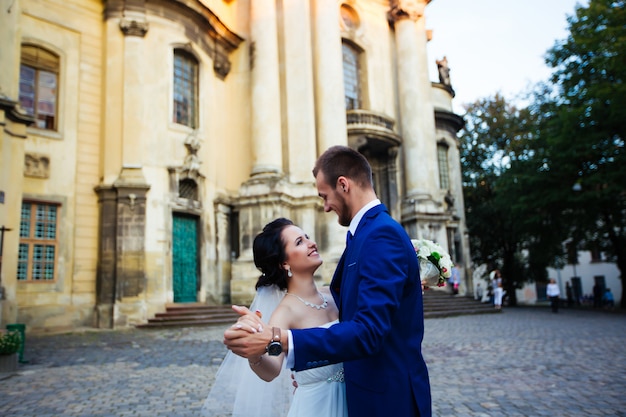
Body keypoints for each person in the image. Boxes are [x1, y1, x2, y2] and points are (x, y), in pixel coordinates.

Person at [224, 145, 432, 416]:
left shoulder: (379, 235)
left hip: (387, 399)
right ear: (284, 263)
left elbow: (369, 330)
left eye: (324, 196)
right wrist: (256, 348)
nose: (324, 207)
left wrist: (281, 338)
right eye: (299, 241)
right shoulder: (364, 234)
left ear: (343, 185)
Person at [202, 218, 346, 417]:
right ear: (284, 263)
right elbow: (272, 370)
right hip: (316, 407)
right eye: (299, 242)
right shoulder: (285, 312)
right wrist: (254, 354)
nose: (311, 243)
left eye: (307, 237)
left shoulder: (336, 295)